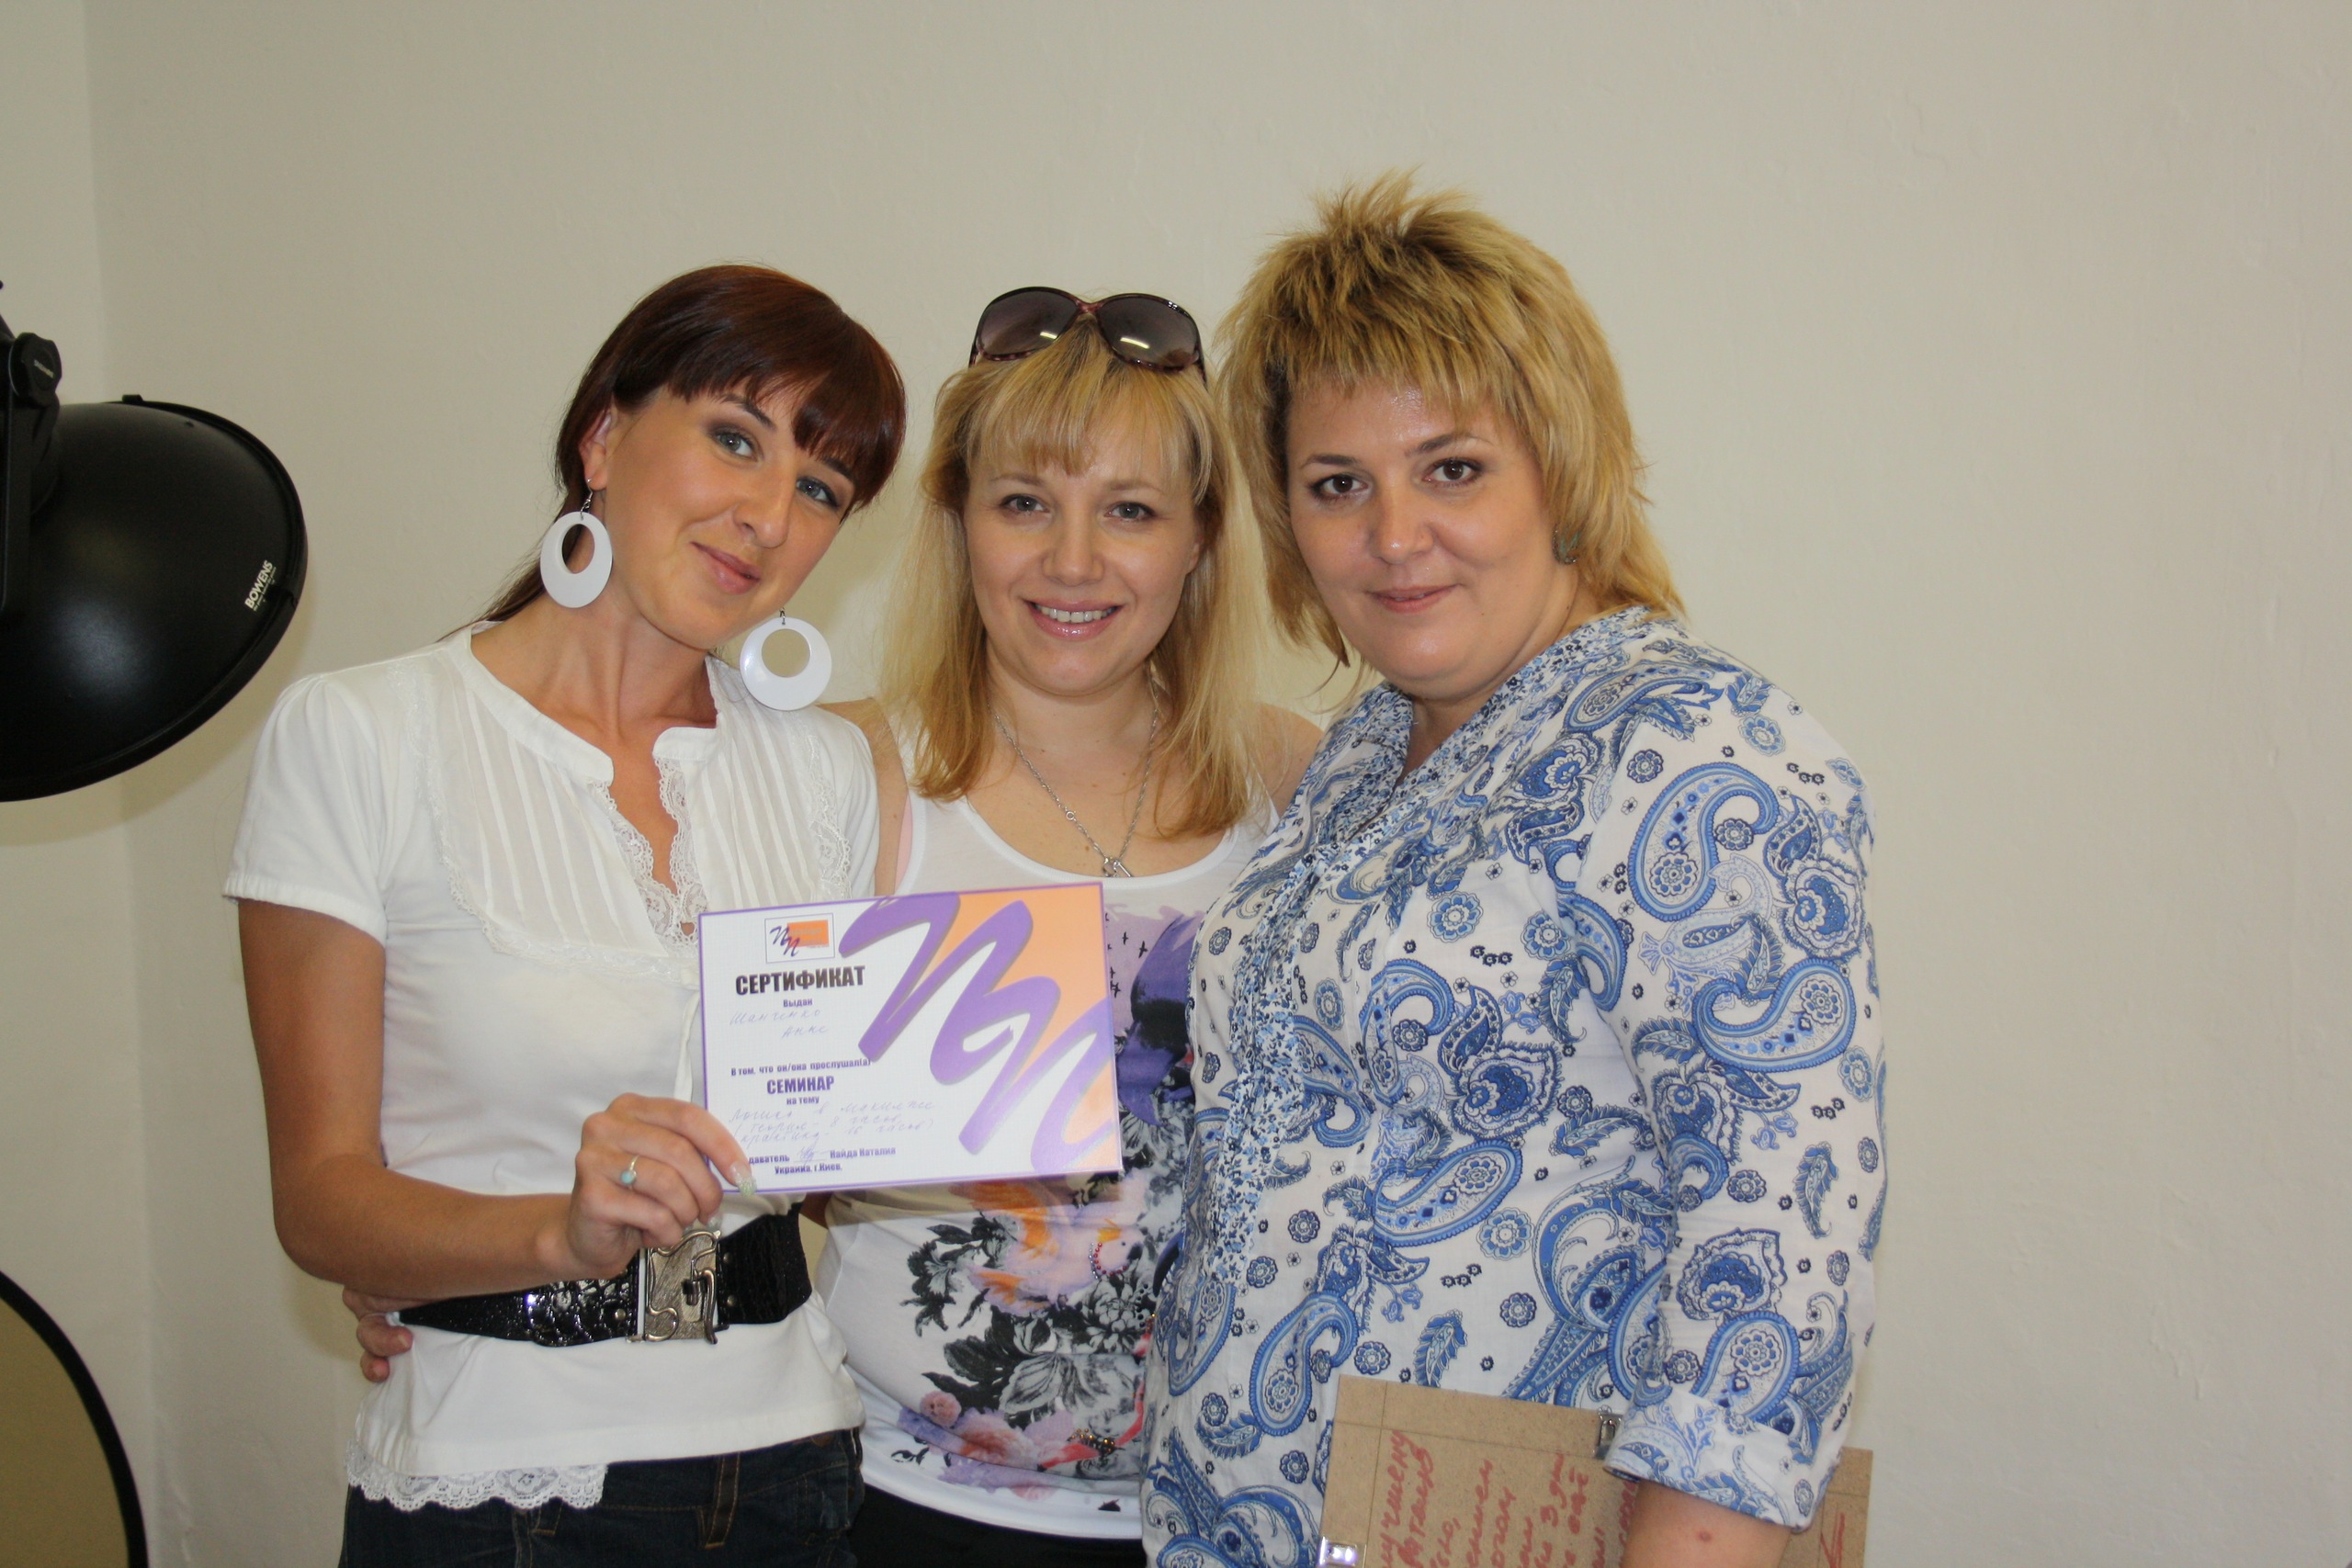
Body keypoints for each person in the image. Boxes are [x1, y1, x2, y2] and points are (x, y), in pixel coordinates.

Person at [1139, 178, 1885, 1568]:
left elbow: (1776, 1249)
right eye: (1338, 484)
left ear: (1562, 467)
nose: (1393, 535)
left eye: (1453, 469)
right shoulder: (1369, 752)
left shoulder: (1693, 750)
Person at [230, 265, 904, 1565]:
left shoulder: (820, 769)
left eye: (823, 488)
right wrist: (555, 1233)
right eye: (735, 438)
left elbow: (819, 1154)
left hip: (795, 1467)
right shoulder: (363, 735)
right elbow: (319, 1201)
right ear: (603, 438)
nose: (769, 515)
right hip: (500, 1483)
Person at [812, 288, 1318, 1565]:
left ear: (1202, 539)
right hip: (893, 1509)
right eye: (1024, 502)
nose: (1074, 562)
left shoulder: (1300, 783)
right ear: (957, 520)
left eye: (1131, 511)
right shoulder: (847, 774)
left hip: (1218, 1519)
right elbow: (678, 1093)